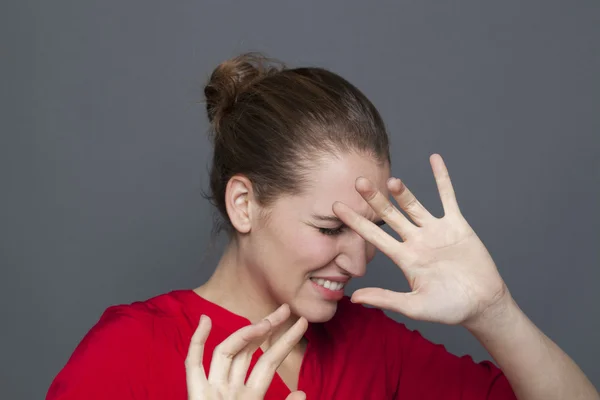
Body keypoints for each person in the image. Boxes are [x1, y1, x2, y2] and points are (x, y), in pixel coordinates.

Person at [46, 53, 599, 400]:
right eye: (331, 229)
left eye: (371, 230)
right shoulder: (126, 356)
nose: (357, 263)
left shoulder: (371, 345)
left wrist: (494, 311)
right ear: (244, 203)